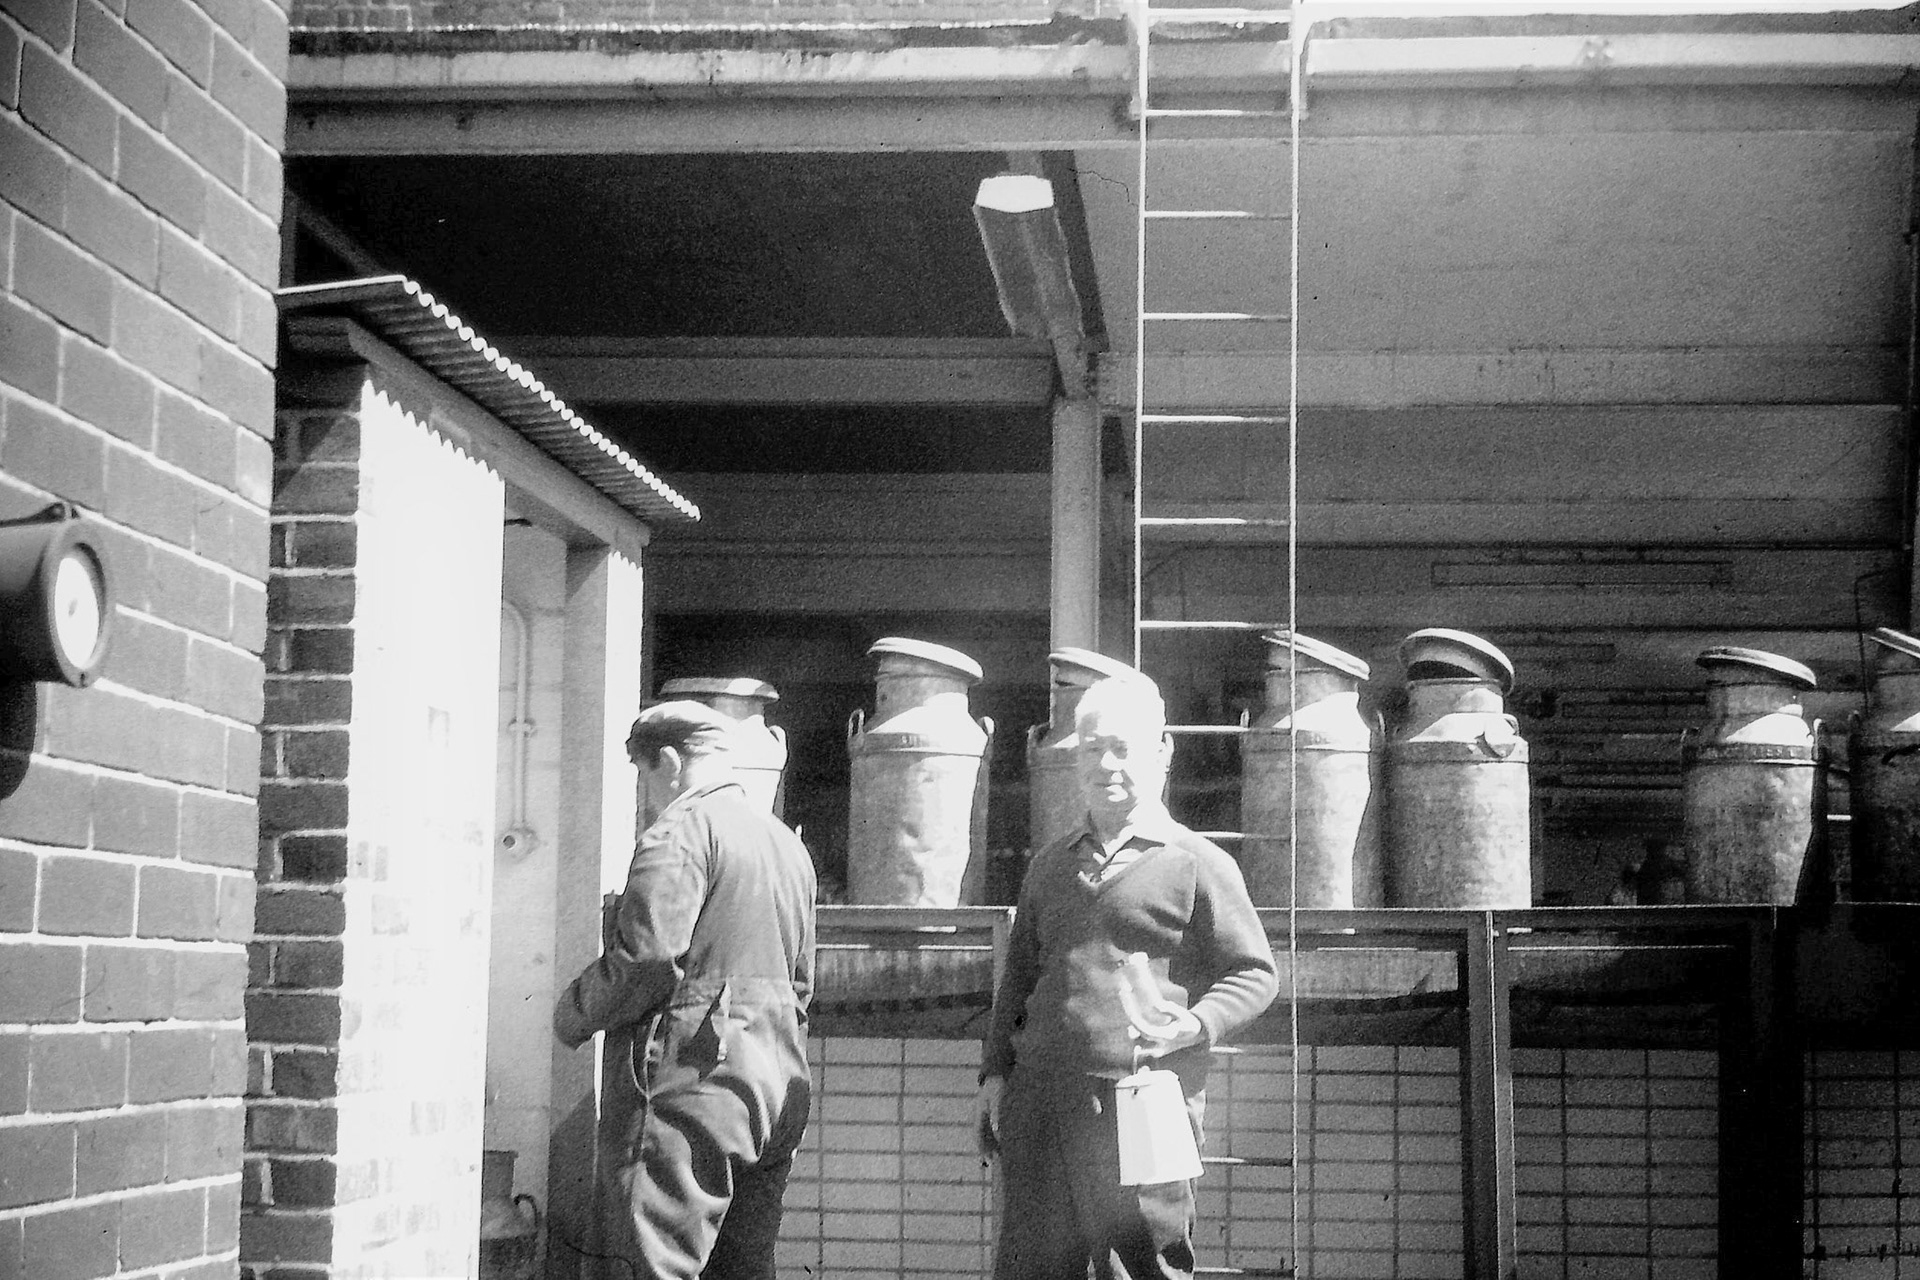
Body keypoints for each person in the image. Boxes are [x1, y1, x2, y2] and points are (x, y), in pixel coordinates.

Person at [978, 672, 1279, 1280]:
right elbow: (1017, 983)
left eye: (1123, 747)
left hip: (1146, 1105)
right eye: (1092, 749)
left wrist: (1194, 1024)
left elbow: (1255, 973)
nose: (1106, 764)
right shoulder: (1049, 866)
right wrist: (993, 1074)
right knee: (1030, 1268)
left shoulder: (1198, 864)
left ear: (1162, 751)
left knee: (1143, 1268)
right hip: (1040, 1101)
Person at [553, 700, 817, 1280]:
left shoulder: (679, 830)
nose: (646, 793)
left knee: (650, 1263)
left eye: (644, 774)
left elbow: (647, 961)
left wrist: (573, 1013)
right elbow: (802, 983)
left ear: (668, 762)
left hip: (695, 1084)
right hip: (776, 1085)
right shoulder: (786, 846)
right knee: (741, 1269)